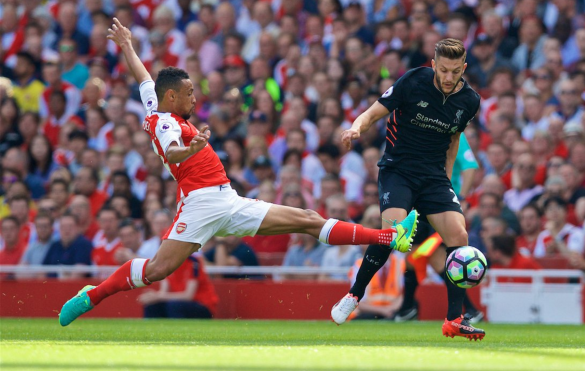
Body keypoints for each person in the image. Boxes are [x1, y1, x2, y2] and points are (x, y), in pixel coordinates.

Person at [58, 18, 417, 327]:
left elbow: (144, 79)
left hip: (226, 200)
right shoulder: (167, 124)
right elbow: (171, 150)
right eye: (189, 93)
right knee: (155, 271)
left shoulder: (159, 106)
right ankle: (93, 296)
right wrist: (192, 149)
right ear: (172, 99)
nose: (194, 98)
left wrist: (127, 46)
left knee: (307, 217)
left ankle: (388, 238)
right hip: (199, 204)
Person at [331, 39, 485, 340]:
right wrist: (356, 128)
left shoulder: (469, 100)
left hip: (433, 177)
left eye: (455, 71)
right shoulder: (414, 81)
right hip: (398, 170)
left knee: (459, 235)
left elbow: (453, 139)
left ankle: (455, 319)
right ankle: (354, 295)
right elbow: (374, 112)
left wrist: (446, 178)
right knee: (392, 232)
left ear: (463, 68)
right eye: (443, 70)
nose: (449, 77)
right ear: (433, 66)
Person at [138, 255, 218, 319]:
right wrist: (154, 297)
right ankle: (151, 335)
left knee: (174, 305)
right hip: (178, 304)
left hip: (203, 305)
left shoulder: (193, 262)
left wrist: (157, 296)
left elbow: (188, 296)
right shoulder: (166, 265)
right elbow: (163, 292)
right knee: (152, 305)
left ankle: (177, 334)